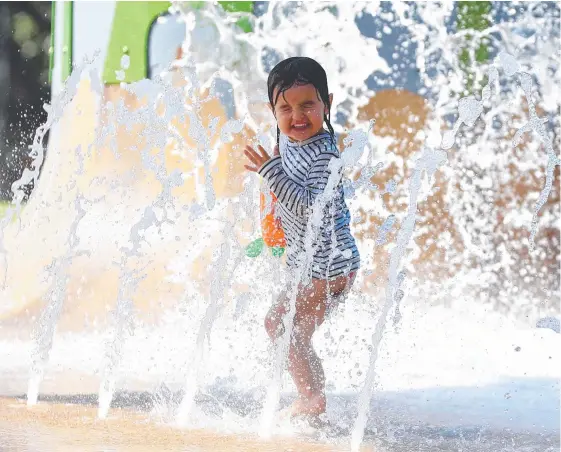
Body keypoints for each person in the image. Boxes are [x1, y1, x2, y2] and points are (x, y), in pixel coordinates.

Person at [244, 57, 360, 418]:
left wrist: (271, 172)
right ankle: (312, 397)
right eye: (286, 108)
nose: (297, 116)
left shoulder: (324, 153)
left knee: (282, 327)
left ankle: (311, 399)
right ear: (272, 110)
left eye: (308, 104)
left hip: (327, 267)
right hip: (317, 264)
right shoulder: (292, 141)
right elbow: (284, 193)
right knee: (288, 330)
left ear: (327, 102)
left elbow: (311, 207)